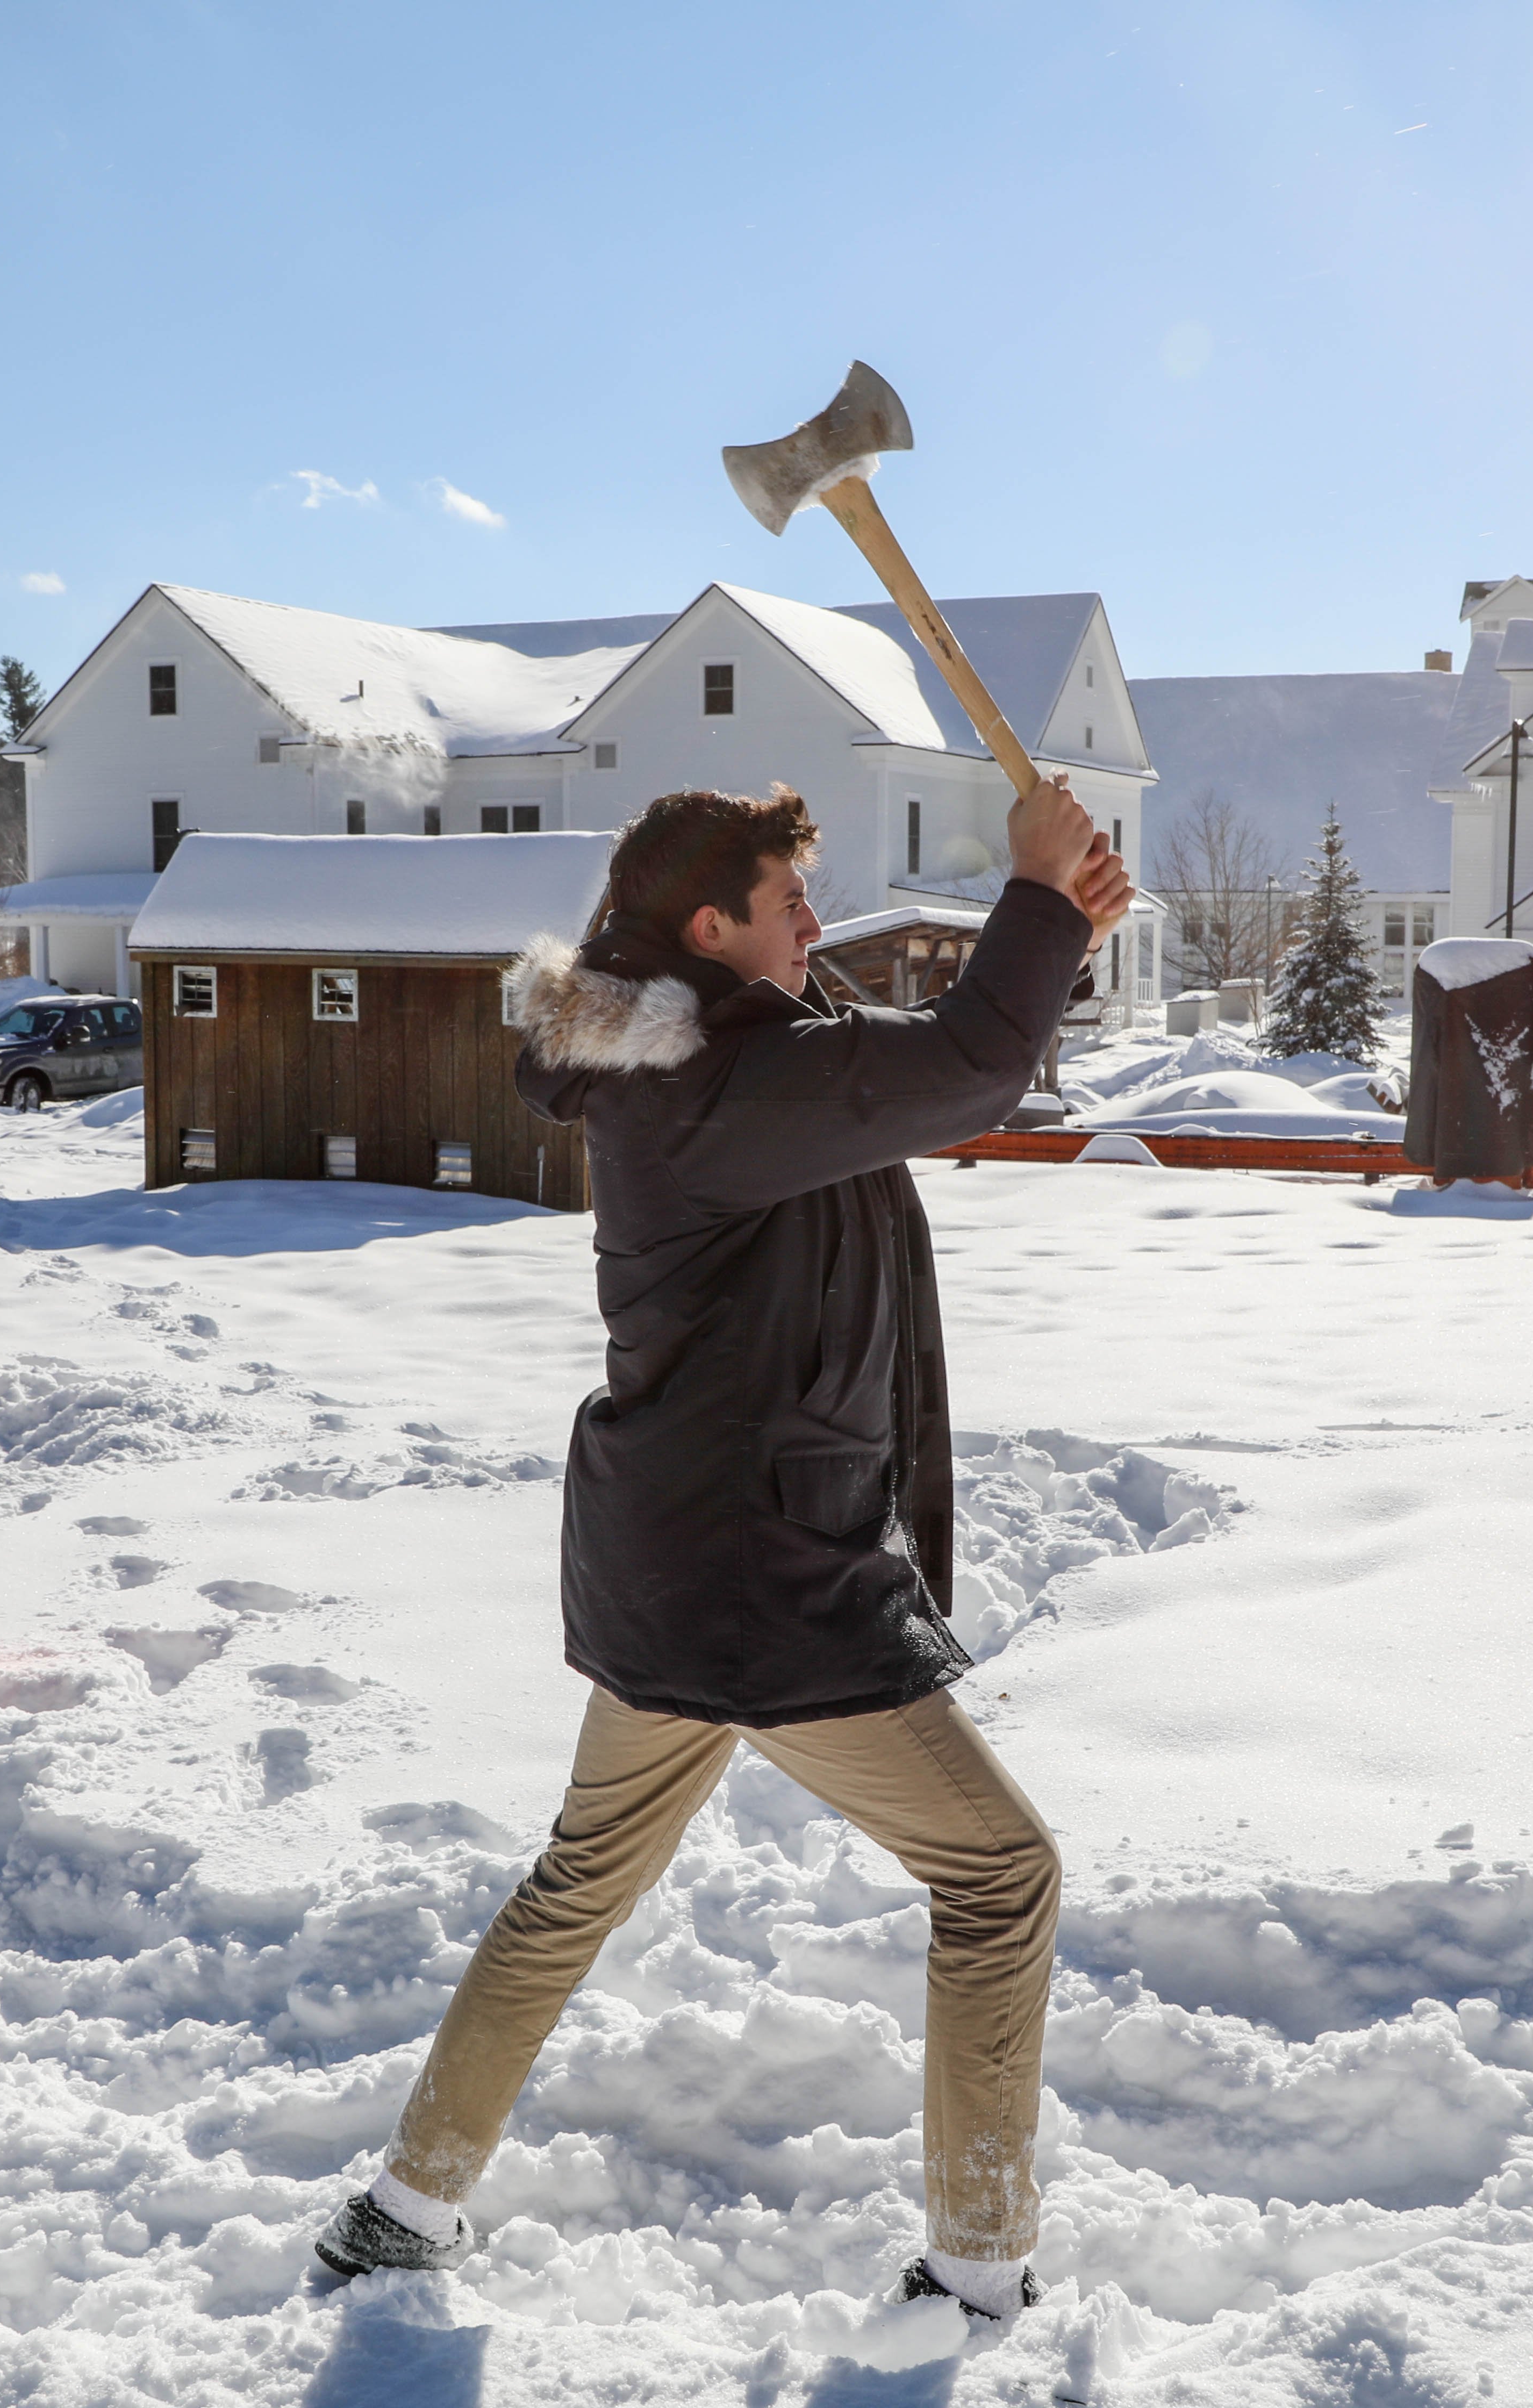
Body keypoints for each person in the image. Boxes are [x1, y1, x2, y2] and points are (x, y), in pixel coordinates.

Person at [314, 780, 1133, 2320]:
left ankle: (403, 2208)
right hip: (765, 1578)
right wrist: (1026, 903)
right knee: (1001, 1875)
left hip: (678, 1562)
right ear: (709, 929)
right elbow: (960, 1066)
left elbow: (924, 1069)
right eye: (788, 904)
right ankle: (975, 2268)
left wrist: (1061, 927)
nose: (817, 931)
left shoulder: (703, 1050)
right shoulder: (712, 1085)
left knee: (576, 1886)